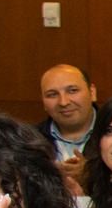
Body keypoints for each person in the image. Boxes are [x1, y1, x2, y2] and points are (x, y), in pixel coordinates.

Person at [36, 63, 99, 191]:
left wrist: (92, 176)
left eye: (72, 91)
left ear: (92, 92)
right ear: (43, 102)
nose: (63, 102)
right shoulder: (28, 141)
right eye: (52, 94)